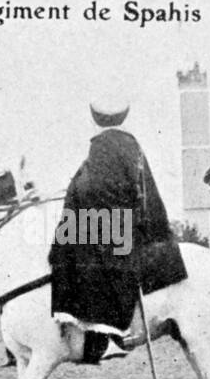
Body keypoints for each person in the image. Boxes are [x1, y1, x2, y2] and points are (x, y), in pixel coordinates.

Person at [49, 98, 187, 364]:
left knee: (68, 253)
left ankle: (106, 336)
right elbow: (147, 193)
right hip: (130, 225)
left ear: (94, 119)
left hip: (115, 229)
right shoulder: (131, 146)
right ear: (124, 117)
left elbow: (88, 192)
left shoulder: (101, 147)